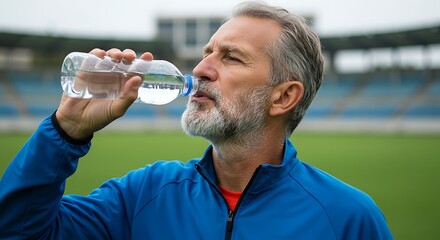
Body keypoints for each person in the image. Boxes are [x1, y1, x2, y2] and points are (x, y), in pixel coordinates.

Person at [0, 1, 393, 239]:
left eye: (231, 57)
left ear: (284, 96)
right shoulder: (142, 195)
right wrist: (65, 134)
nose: (202, 68)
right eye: (207, 53)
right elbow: (17, 232)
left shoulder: (348, 218)